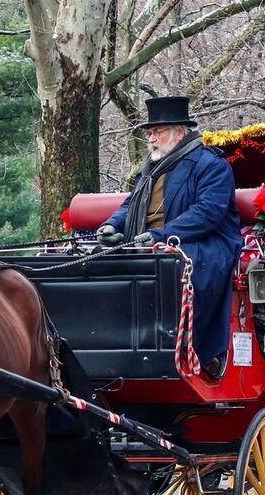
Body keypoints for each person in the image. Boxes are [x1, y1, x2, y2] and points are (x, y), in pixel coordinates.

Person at [97, 96, 242, 379]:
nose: (152, 138)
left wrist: (160, 236)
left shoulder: (211, 165)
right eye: (150, 133)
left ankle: (194, 351)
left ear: (180, 132)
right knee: (99, 264)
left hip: (205, 243)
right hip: (151, 241)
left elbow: (208, 213)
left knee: (175, 264)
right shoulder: (150, 170)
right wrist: (112, 226)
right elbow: (130, 205)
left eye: (158, 131)